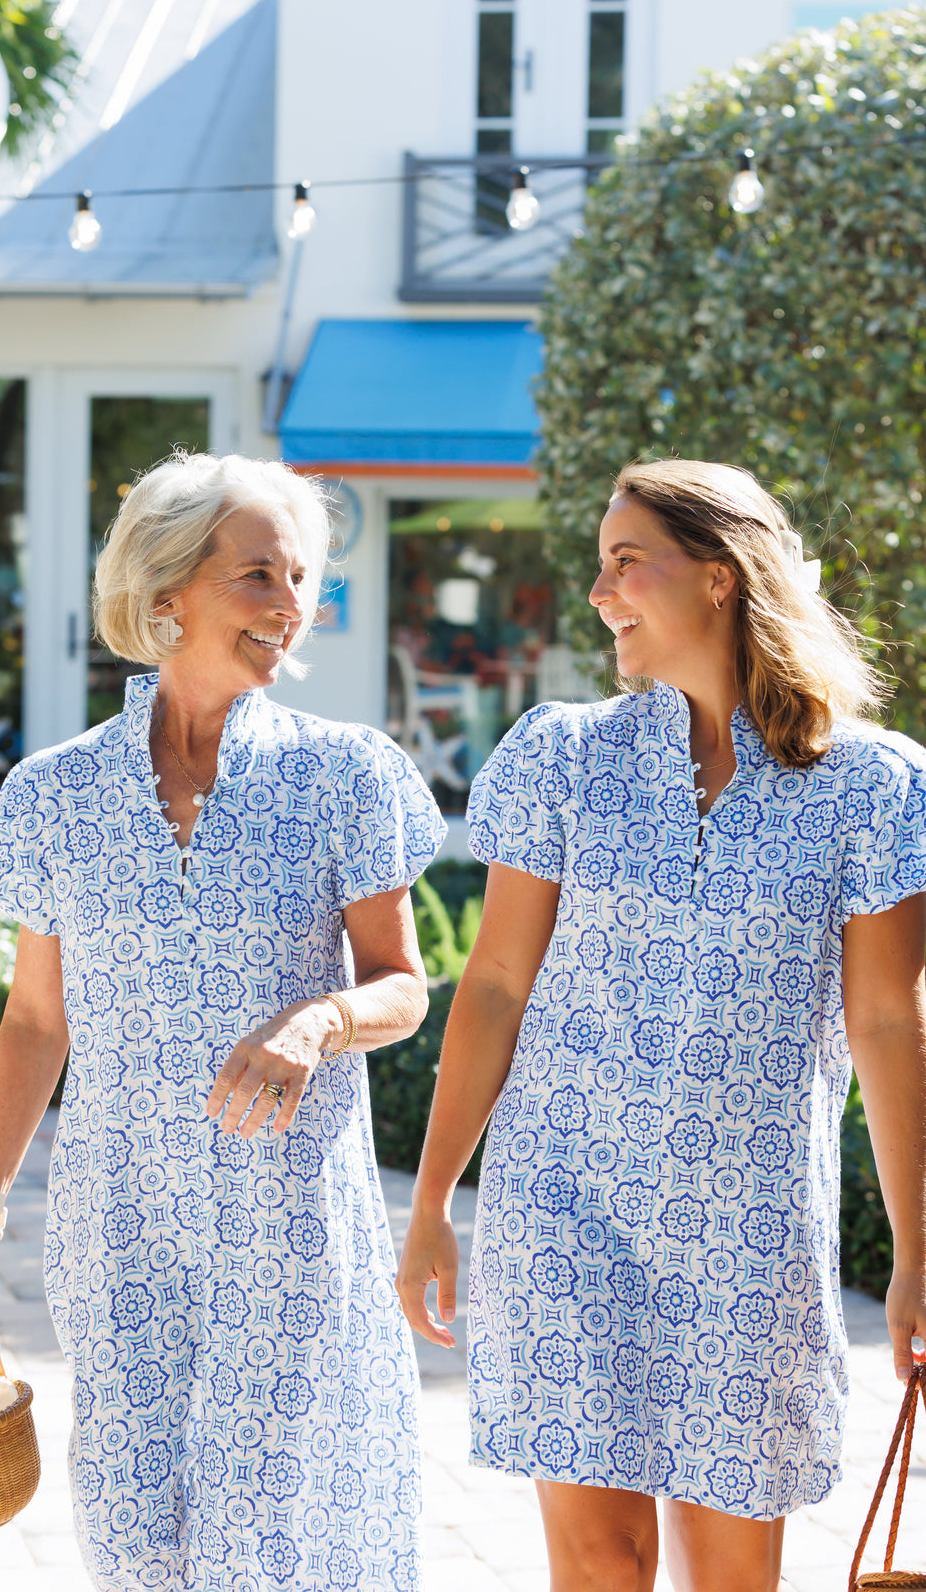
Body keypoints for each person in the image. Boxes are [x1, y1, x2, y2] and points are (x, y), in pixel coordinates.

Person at [0, 453, 446, 1591]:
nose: (291, 603)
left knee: (272, 1541)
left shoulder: (345, 775)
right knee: (136, 1541)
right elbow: (35, 1024)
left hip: (288, 1221)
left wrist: (319, 1020)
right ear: (167, 593)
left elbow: (403, 983)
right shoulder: (55, 796)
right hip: (120, 1230)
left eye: (302, 576)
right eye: (258, 572)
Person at [397, 459, 926, 1592]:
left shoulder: (872, 787)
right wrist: (434, 1199)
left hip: (747, 1230)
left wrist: (915, 1247)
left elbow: (887, 1021)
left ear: (722, 579)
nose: (598, 594)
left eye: (624, 563)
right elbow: (491, 987)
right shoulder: (561, 756)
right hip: (563, 1208)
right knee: (597, 1563)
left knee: (728, 1570)